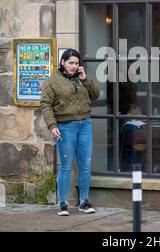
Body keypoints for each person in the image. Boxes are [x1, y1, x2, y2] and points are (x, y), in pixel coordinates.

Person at [40, 49, 100, 216]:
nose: (74, 66)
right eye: (71, 63)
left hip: (85, 125)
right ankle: (63, 203)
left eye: (76, 63)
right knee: (66, 166)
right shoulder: (52, 81)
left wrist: (85, 79)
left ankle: (84, 202)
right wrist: (52, 126)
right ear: (62, 62)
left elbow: (95, 95)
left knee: (85, 165)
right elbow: (45, 104)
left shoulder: (81, 79)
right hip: (65, 127)